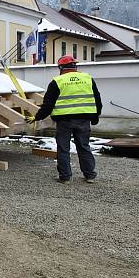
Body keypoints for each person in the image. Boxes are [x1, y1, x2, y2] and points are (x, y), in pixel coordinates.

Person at [27, 55, 102, 183]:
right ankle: (89, 176)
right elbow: (97, 100)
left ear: (61, 68)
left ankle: (65, 177)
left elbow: (48, 105)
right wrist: (95, 117)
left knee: (63, 149)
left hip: (64, 121)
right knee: (84, 147)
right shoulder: (87, 79)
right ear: (75, 66)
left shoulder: (57, 81)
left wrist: (37, 117)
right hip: (84, 119)